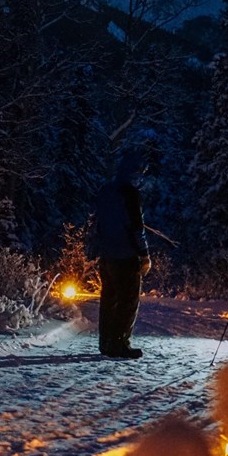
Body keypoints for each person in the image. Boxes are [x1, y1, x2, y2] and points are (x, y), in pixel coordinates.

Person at [89, 152, 152, 359]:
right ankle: (120, 344)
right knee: (128, 301)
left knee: (109, 300)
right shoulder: (130, 193)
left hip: (107, 256)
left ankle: (106, 343)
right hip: (126, 256)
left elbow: (97, 224)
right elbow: (137, 227)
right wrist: (144, 254)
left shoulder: (105, 191)